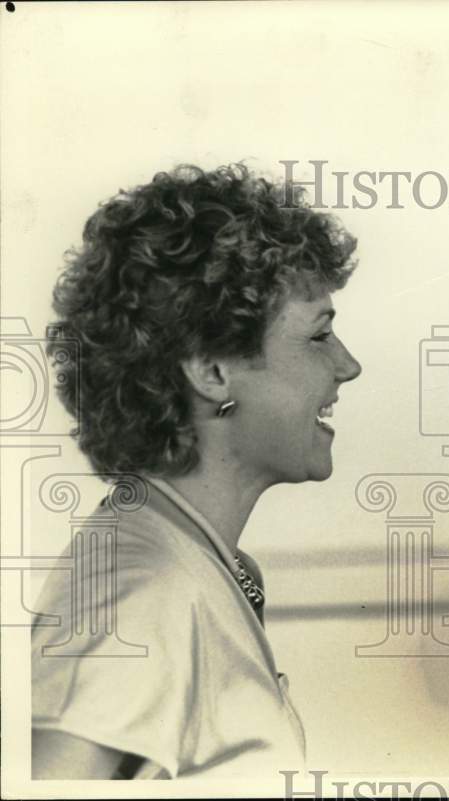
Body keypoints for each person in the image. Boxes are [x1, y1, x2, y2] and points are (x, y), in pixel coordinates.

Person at [31, 164, 362, 778]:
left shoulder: (194, 559)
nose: (348, 366)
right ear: (211, 372)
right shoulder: (147, 590)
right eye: (319, 338)